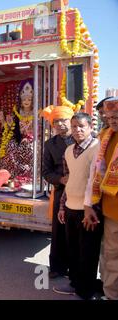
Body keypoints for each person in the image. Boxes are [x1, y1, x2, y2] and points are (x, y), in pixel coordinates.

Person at [53, 113, 101, 300]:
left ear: (90, 127)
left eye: (81, 126)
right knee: (72, 249)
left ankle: (86, 290)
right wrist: (62, 207)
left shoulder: (97, 148)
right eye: (74, 126)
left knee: (88, 252)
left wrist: (91, 207)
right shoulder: (68, 150)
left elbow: (96, 181)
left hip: (88, 209)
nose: (77, 130)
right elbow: (69, 179)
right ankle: (74, 283)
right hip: (71, 206)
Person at [84, 97, 118, 300]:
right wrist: (89, 205)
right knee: (110, 256)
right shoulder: (105, 137)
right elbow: (94, 174)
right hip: (111, 210)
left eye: (117, 116)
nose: (113, 119)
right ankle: (111, 295)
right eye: (110, 116)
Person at [41, 105, 74, 279]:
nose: (60, 124)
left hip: (81, 192)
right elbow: (46, 172)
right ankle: (57, 267)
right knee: (58, 231)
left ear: (72, 121)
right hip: (61, 192)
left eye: (63, 120)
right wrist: (61, 179)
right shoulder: (50, 144)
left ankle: (76, 269)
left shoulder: (82, 140)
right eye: (56, 121)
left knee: (76, 231)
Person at [0, 79, 35, 184]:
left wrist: (29, 135)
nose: (26, 101)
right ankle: (11, 175)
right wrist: (3, 121)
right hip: (18, 140)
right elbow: (9, 130)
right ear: (20, 98)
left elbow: (41, 130)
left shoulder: (37, 113)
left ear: (33, 99)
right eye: (24, 98)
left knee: (30, 147)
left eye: (29, 99)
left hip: (32, 142)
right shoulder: (16, 112)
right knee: (4, 146)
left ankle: (28, 176)